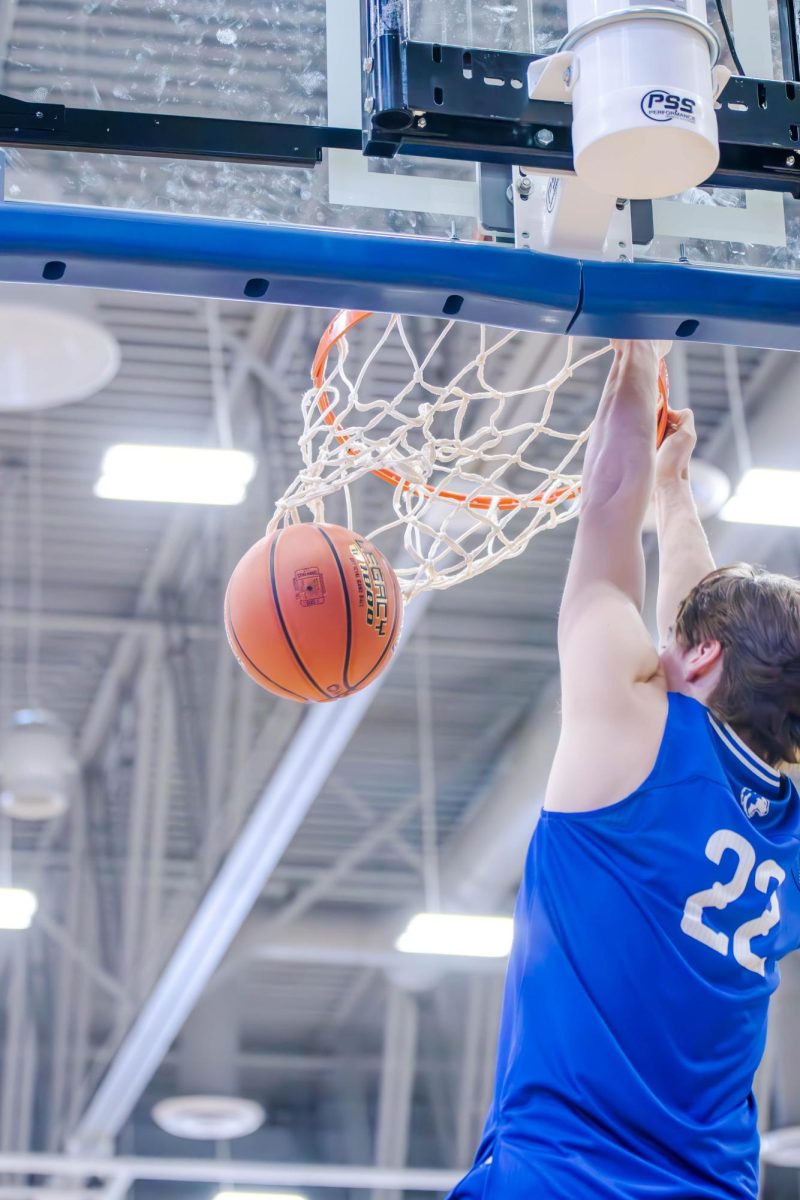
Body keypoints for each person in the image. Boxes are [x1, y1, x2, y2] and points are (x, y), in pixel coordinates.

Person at [447, 340, 800, 1199]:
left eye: (675, 639)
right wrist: (673, 490)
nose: (658, 646)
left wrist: (635, 353)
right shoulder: (788, 834)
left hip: (560, 1178)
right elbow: (698, 623)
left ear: (701, 654)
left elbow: (608, 505)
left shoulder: (632, 729)